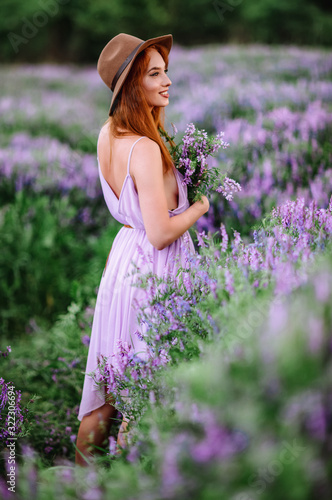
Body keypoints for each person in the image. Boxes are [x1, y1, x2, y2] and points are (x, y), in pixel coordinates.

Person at [75, 33, 209, 466]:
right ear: (133, 85)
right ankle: (134, 481)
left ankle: (78, 485)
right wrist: (200, 206)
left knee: (108, 390)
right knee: (147, 386)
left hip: (122, 265)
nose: (167, 80)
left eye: (165, 70)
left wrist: (160, 117)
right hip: (154, 269)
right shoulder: (147, 149)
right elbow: (160, 233)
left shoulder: (108, 134)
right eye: (154, 74)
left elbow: (139, 216)